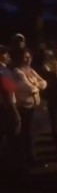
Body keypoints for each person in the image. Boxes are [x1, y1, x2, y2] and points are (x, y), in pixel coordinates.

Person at [14, 48, 47, 166]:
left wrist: (35, 85)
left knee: (32, 133)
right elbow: (29, 88)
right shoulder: (17, 72)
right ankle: (28, 159)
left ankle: (30, 157)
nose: (28, 60)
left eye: (29, 57)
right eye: (25, 57)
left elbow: (44, 82)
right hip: (24, 106)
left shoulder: (31, 71)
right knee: (27, 134)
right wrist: (36, 86)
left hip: (33, 105)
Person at [0, 45, 21, 178]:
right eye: (5, 54)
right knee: (9, 139)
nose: (8, 56)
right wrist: (15, 112)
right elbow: (7, 92)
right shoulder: (4, 71)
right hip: (5, 109)